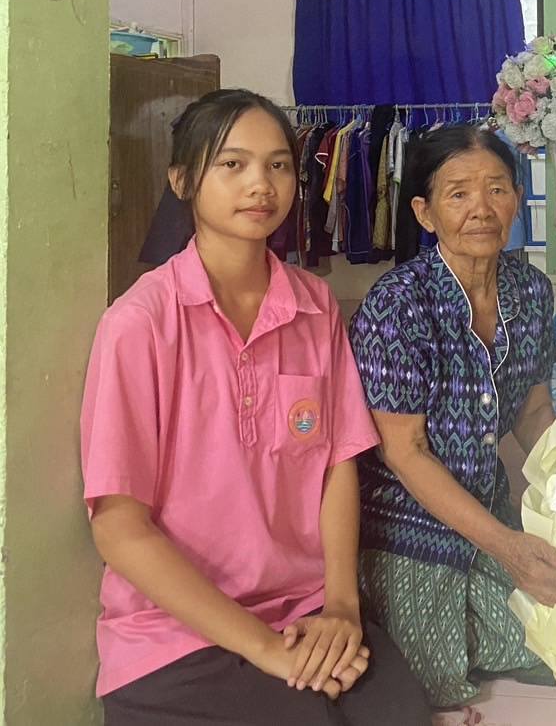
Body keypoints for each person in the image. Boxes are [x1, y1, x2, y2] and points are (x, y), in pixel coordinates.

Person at [81, 89, 430, 725]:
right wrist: (267, 651)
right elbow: (119, 528)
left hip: (302, 610)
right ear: (182, 180)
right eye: (232, 164)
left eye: (278, 165)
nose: (260, 185)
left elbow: (336, 467)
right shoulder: (141, 323)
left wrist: (341, 607)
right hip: (176, 631)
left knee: (400, 712)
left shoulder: (314, 306)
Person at [349, 124, 556, 707]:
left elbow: (532, 408)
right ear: (425, 213)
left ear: (517, 199)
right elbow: (405, 452)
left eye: (497, 189)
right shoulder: (397, 305)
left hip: (489, 508)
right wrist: (508, 547)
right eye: (458, 194)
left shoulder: (530, 290)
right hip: (406, 525)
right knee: (429, 684)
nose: (482, 208)